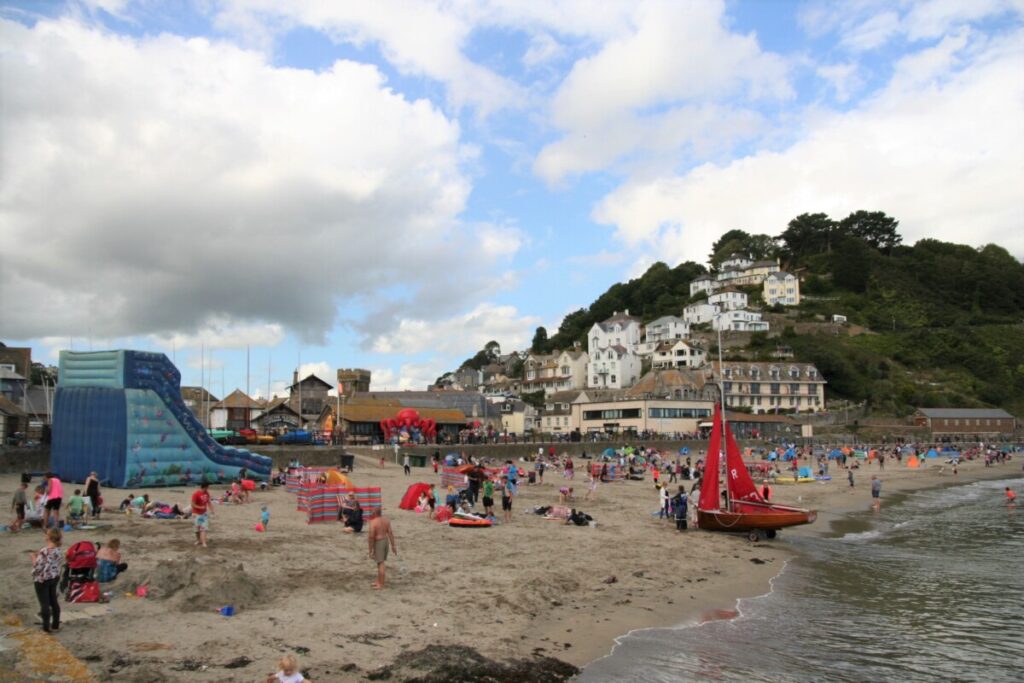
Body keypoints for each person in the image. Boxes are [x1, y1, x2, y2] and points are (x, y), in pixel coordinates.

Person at [32, 527, 63, 632]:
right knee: (53, 601)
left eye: (46, 534)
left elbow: (37, 567)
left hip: (43, 579)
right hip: (54, 577)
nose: (45, 535)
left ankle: (46, 627)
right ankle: (55, 624)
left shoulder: (44, 551)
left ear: (49, 537)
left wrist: (33, 558)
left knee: (44, 603)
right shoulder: (58, 549)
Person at [367, 508, 397, 590]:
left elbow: (371, 537)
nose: (371, 513)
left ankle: (381, 584)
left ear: (375, 513)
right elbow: (390, 533)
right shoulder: (386, 520)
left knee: (381, 563)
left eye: (372, 512)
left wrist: (370, 549)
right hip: (385, 541)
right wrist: (393, 545)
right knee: (379, 562)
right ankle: (379, 581)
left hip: (379, 542)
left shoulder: (373, 522)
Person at [191, 482, 212, 548]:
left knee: (203, 528)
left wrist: (212, 510)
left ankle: (204, 542)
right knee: (196, 529)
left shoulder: (207, 493)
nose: (208, 488)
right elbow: (192, 504)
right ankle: (198, 540)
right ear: (205, 487)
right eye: (208, 487)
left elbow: (209, 502)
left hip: (204, 514)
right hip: (196, 514)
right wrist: (200, 507)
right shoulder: (196, 494)